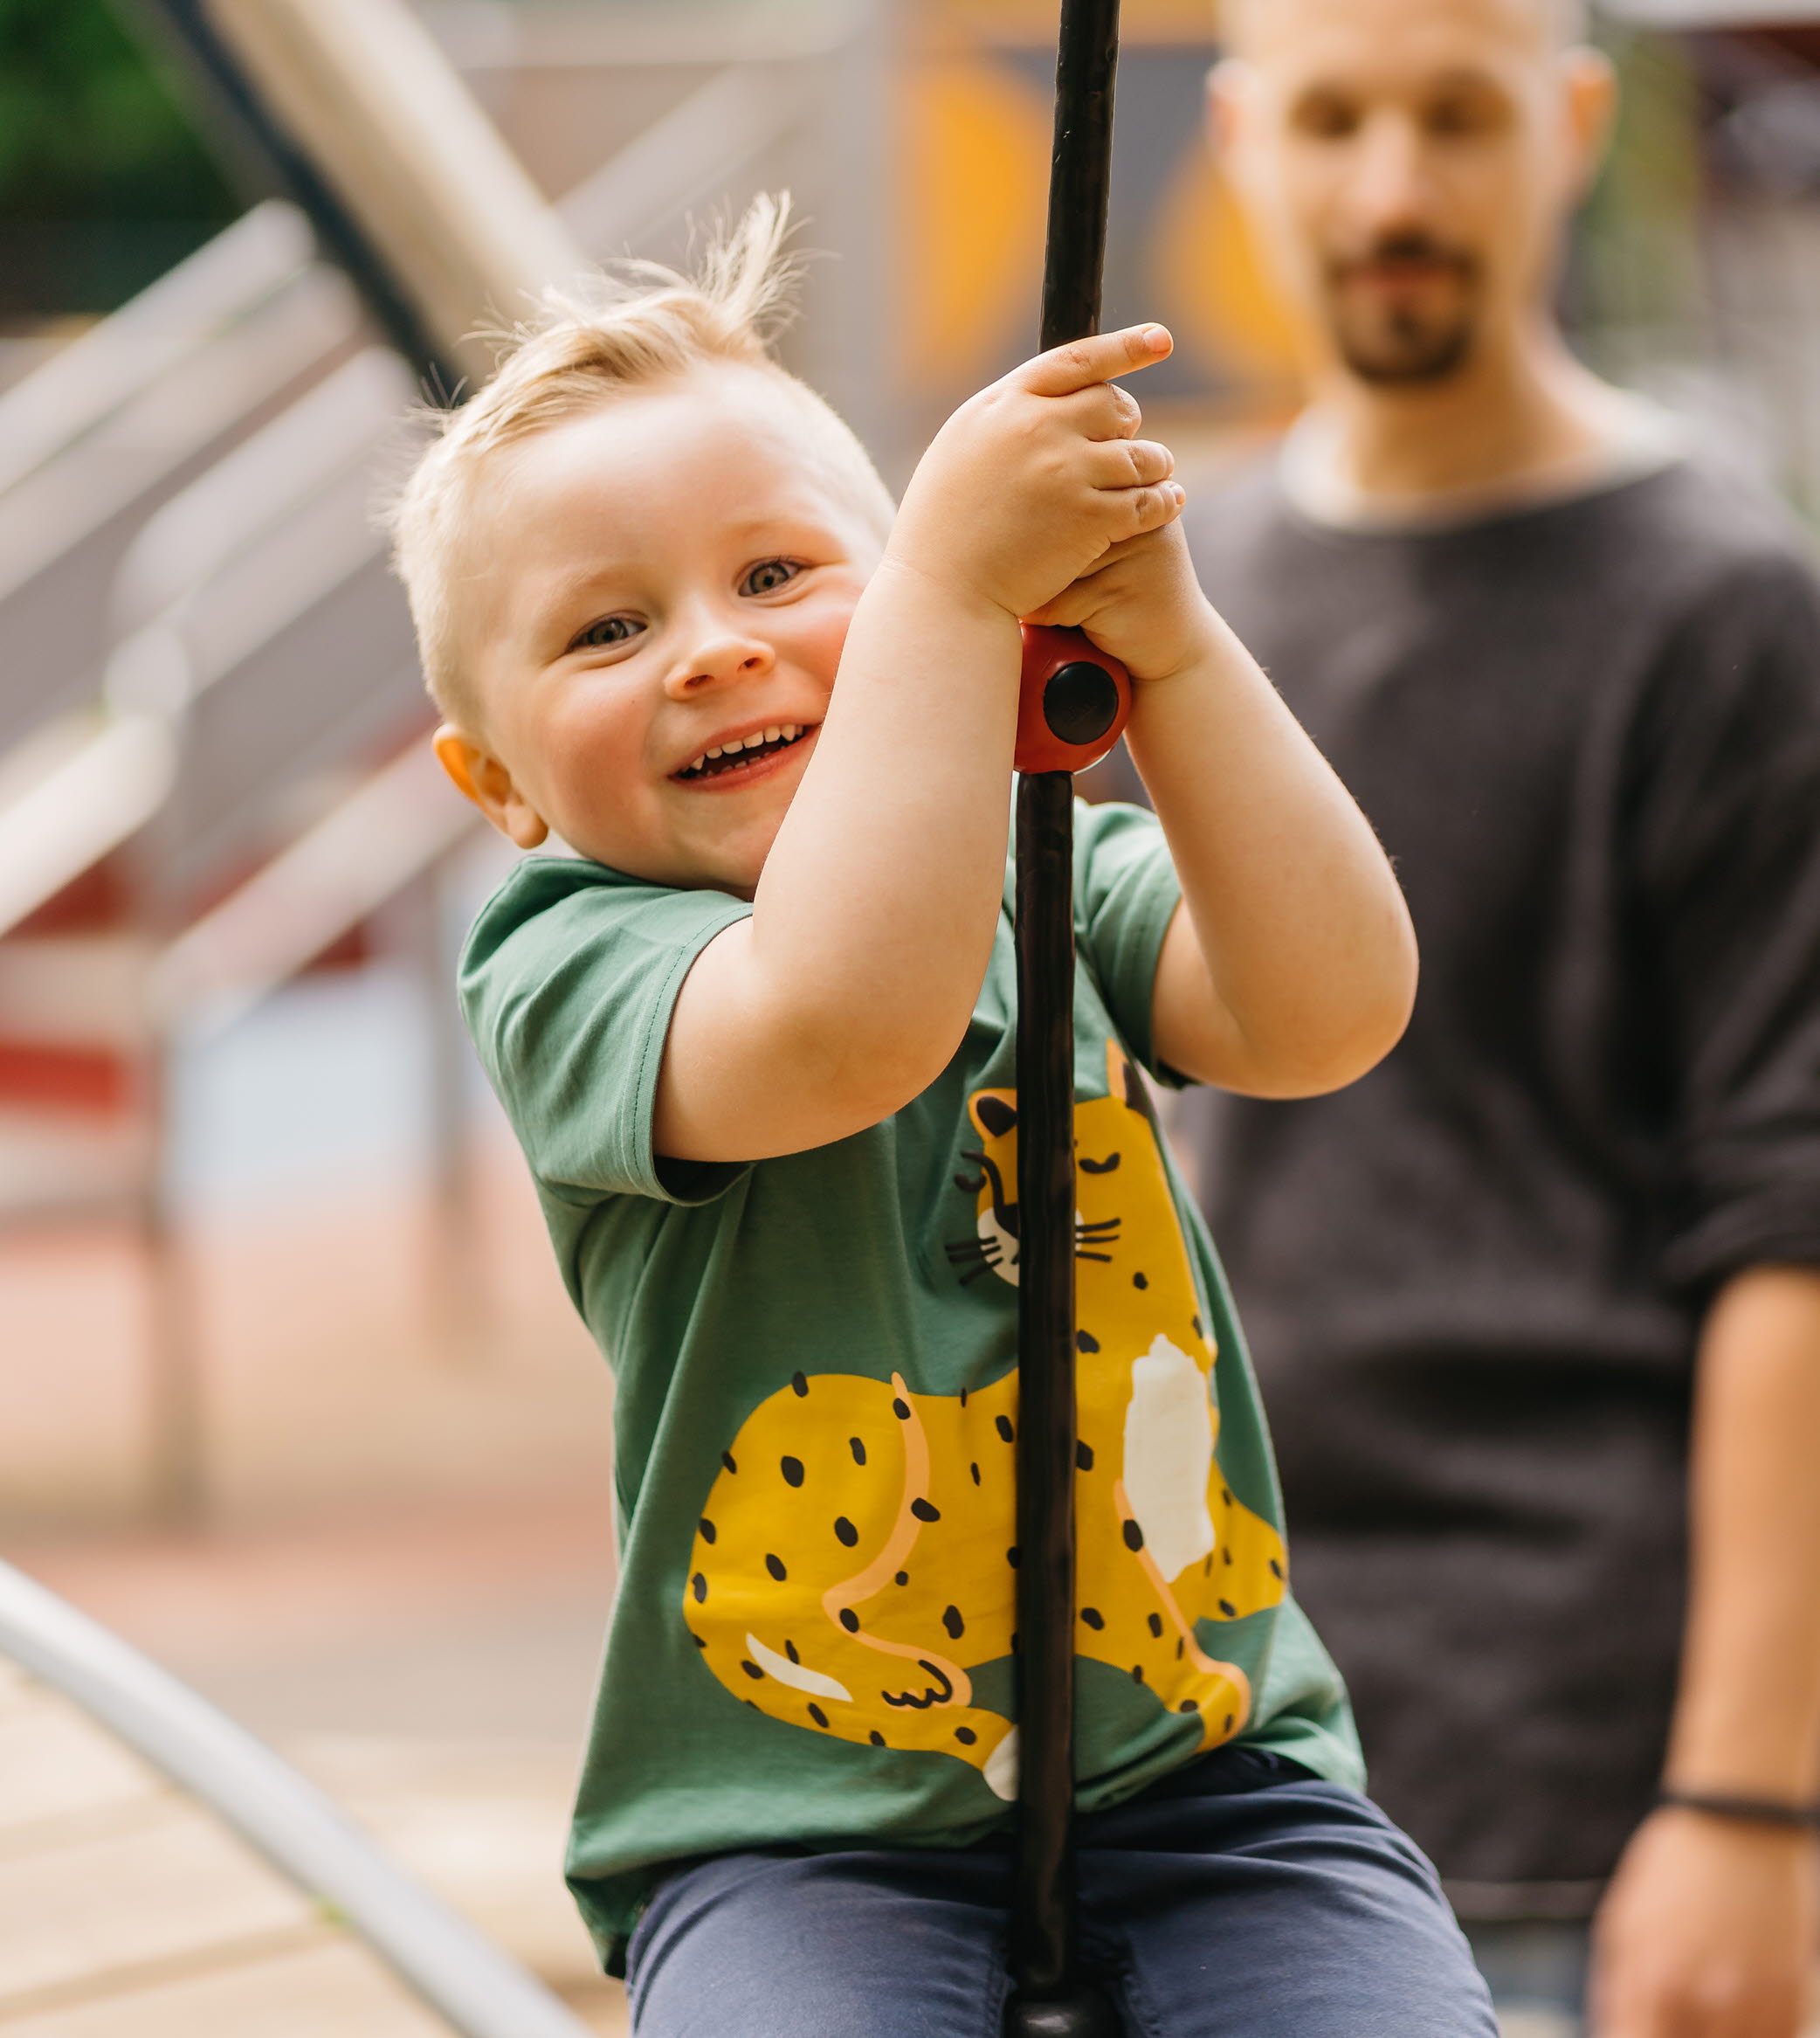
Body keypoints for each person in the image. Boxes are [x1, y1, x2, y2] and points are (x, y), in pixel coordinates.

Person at [385, 202, 1494, 2036]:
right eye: (605, 628)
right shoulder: (568, 964)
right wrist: (940, 607)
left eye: (778, 576)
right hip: (792, 1827)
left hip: (1207, 1774)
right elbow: (838, 1023)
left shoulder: (1041, 868)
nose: (711, 652)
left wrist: (1179, 652)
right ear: (493, 782)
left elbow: (1326, 1011)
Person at [1187, 0, 1820, 2032]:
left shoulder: (1727, 612)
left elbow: (1797, 1229)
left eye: (1454, 118)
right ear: (1234, 138)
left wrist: (1748, 1797)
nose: (1391, 190)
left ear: (1563, 127)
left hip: (1577, 1793)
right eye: (1335, 118)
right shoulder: (1172, 611)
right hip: (1205, 1768)